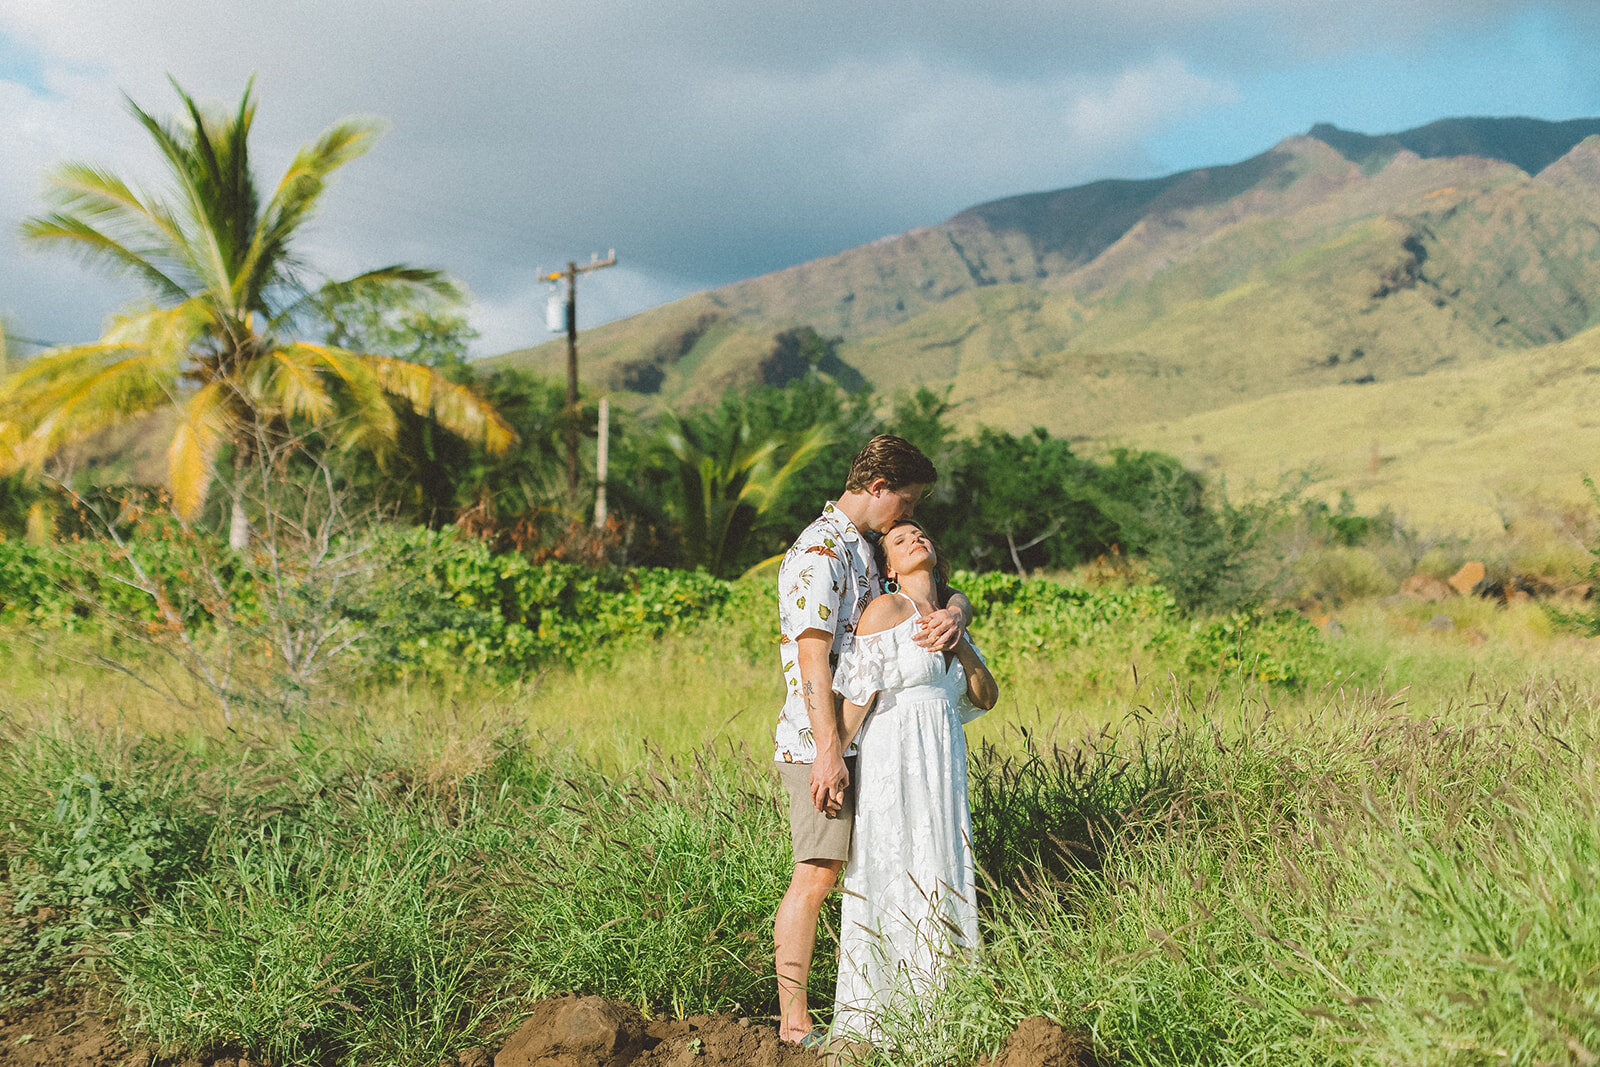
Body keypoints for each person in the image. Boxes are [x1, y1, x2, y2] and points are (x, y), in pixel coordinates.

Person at [772, 435, 972, 1047]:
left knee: (868, 873)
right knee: (817, 875)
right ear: (878, 489)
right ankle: (793, 1025)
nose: (907, 518)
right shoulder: (819, 551)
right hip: (820, 742)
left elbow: (937, 592)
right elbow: (812, 655)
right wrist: (829, 751)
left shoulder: (863, 548)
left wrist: (957, 612)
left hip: (869, 747)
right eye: (904, 503)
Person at [830, 519, 999, 1043]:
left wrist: (958, 631)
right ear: (889, 568)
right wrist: (833, 761)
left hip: (942, 756)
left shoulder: (950, 617)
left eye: (921, 534)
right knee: (895, 862)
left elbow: (986, 696)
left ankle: (944, 1007)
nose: (915, 540)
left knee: (942, 860)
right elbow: (857, 698)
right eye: (900, 541)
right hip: (893, 753)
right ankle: (882, 1013)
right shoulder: (885, 611)